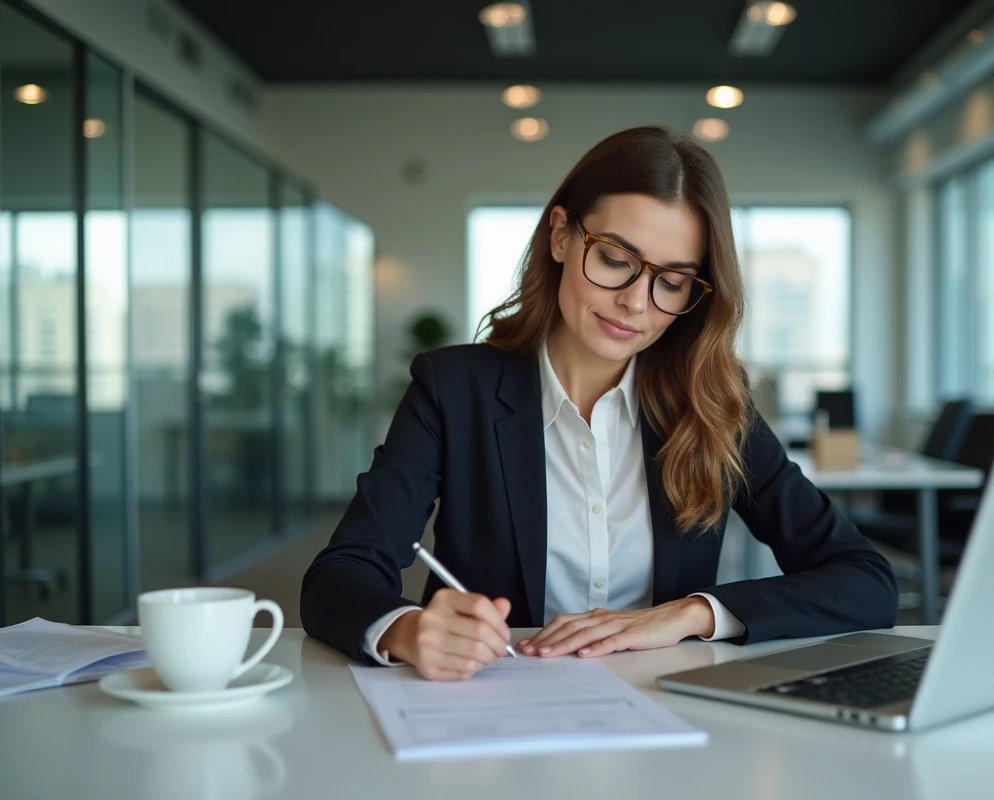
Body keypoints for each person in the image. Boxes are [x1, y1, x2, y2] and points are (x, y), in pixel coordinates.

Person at [301, 126, 898, 681]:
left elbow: (866, 581)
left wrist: (691, 614)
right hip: (492, 712)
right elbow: (339, 575)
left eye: (671, 281)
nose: (636, 302)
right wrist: (407, 630)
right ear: (561, 235)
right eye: (615, 259)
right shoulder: (453, 388)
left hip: (663, 713)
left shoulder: (713, 407)